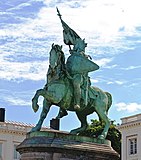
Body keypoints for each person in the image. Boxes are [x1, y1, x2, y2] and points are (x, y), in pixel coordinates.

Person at [66, 38, 99, 110]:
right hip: (69, 75)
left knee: (76, 84)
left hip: (79, 75)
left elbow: (86, 66)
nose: (75, 47)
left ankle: (77, 103)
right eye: (75, 45)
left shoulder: (84, 56)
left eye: (77, 45)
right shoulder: (71, 57)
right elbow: (67, 66)